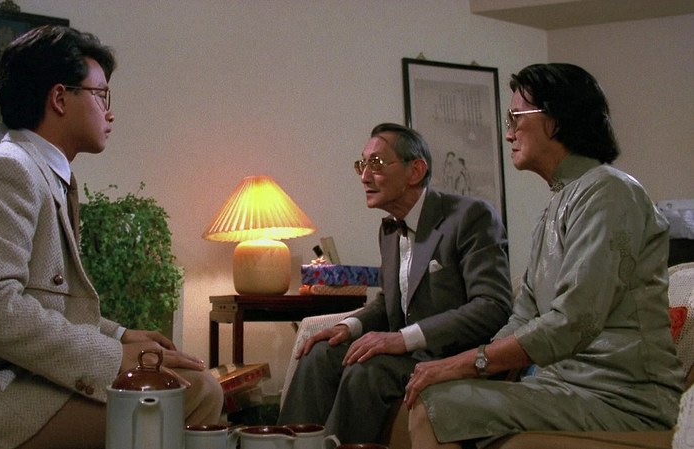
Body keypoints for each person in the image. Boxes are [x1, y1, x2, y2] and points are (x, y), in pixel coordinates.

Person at [0, 26, 223, 449]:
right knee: (194, 392)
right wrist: (112, 357)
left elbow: (39, 301)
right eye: (101, 95)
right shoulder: (7, 170)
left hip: (7, 379)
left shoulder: (42, 173)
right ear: (59, 98)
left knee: (191, 381)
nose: (110, 113)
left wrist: (119, 335)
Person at [405, 63, 685, 448]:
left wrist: (469, 363)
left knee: (437, 405)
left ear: (556, 119)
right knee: (434, 392)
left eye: (516, 117)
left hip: (623, 397)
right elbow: (524, 316)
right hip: (562, 388)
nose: (508, 133)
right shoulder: (557, 205)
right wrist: (463, 368)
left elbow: (574, 319)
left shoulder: (610, 192)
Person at [277, 123, 513, 443]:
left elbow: (492, 307)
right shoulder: (389, 230)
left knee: (367, 371)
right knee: (319, 353)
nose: (364, 177)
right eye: (362, 165)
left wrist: (402, 339)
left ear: (415, 171)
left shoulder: (471, 216)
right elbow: (388, 300)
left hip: (452, 358)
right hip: (407, 356)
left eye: (375, 164)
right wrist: (349, 326)